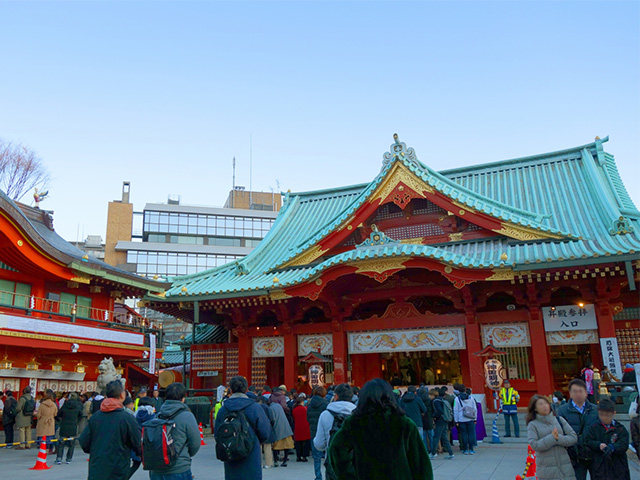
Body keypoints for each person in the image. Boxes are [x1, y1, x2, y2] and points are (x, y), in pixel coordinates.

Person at [328, 378, 433, 480]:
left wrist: (350, 475)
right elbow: (421, 464)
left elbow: (336, 450)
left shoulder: (354, 423)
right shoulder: (404, 424)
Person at [79, 380, 142, 480]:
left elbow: (83, 442)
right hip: (117, 470)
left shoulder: (96, 417)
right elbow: (138, 443)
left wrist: (96, 450)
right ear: (122, 395)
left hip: (97, 469)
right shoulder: (127, 418)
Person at [214, 375, 270, 480]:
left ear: (230, 389)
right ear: (246, 389)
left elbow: (217, 433)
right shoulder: (255, 407)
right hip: (251, 453)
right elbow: (265, 432)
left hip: (230, 451)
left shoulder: (223, 409)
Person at [147, 382, 202, 480]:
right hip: (179, 467)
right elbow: (196, 443)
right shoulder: (187, 416)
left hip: (157, 468)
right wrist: (185, 455)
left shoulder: (158, 416)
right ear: (183, 398)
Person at [526, 394, 577, 480]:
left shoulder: (559, 420)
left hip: (565, 467)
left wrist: (559, 438)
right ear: (535, 408)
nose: (545, 406)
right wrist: (551, 438)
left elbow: (573, 437)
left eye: (546, 403)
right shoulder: (533, 425)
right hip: (546, 469)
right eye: (540, 404)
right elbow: (534, 445)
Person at [557, 378, 599, 480]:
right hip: (575, 456)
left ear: (586, 393)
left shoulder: (596, 409)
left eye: (581, 391)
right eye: (574, 391)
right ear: (570, 393)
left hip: (594, 454)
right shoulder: (562, 411)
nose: (578, 394)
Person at [584, 398, 630, 480]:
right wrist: (598, 445)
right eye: (602, 415)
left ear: (614, 413)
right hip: (599, 466)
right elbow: (588, 441)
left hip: (618, 467)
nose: (604, 418)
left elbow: (623, 445)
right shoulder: (594, 427)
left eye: (608, 415)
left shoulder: (620, 429)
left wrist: (612, 447)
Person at [307, 386, 329, 480]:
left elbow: (308, 418)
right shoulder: (326, 404)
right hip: (324, 431)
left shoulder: (310, 404)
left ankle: (318, 476)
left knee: (317, 457)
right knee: (328, 454)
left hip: (313, 430)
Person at [55, 391, 83, 464]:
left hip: (64, 426)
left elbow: (58, 414)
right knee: (71, 444)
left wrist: (61, 420)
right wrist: (76, 421)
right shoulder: (78, 406)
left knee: (61, 443)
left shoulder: (65, 405)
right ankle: (69, 459)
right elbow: (81, 415)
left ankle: (59, 458)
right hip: (73, 426)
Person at [269, 393, 294, 467]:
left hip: (277, 428)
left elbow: (272, 419)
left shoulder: (271, 408)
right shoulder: (279, 406)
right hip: (286, 427)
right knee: (286, 445)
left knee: (275, 446)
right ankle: (285, 460)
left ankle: (276, 461)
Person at [430, 388, 454, 459]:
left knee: (436, 437)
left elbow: (439, 411)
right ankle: (450, 453)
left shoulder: (436, 401)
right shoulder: (443, 400)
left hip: (440, 420)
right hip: (445, 420)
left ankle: (433, 453)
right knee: (444, 437)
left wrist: (433, 416)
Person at [453, 383, 477, 455]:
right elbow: (474, 409)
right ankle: (471, 449)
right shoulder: (471, 398)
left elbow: (455, 410)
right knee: (471, 433)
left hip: (461, 419)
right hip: (470, 418)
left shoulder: (457, 399)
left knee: (463, 434)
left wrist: (456, 420)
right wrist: (475, 418)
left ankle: (465, 449)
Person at [255, 395, 276, 469]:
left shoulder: (256, 408)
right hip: (267, 428)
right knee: (268, 447)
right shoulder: (267, 408)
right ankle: (268, 463)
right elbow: (272, 419)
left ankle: (259, 463)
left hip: (258, 428)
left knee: (259, 447)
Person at [36, 389, 58, 454]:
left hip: (43, 421)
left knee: (42, 437)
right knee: (49, 437)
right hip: (50, 421)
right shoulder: (54, 405)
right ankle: (48, 450)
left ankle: (43, 450)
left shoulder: (42, 404)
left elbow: (39, 414)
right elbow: (55, 413)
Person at [292, 394, 311, 462]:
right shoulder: (305, 408)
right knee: (305, 443)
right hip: (305, 426)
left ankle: (298, 456)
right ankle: (304, 456)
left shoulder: (294, 409)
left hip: (297, 427)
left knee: (298, 443)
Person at [419, 386, 434, 452]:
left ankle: (426, 449)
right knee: (431, 436)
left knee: (424, 436)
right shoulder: (430, 400)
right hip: (429, 418)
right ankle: (433, 449)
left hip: (422, 418)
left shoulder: (418, 399)